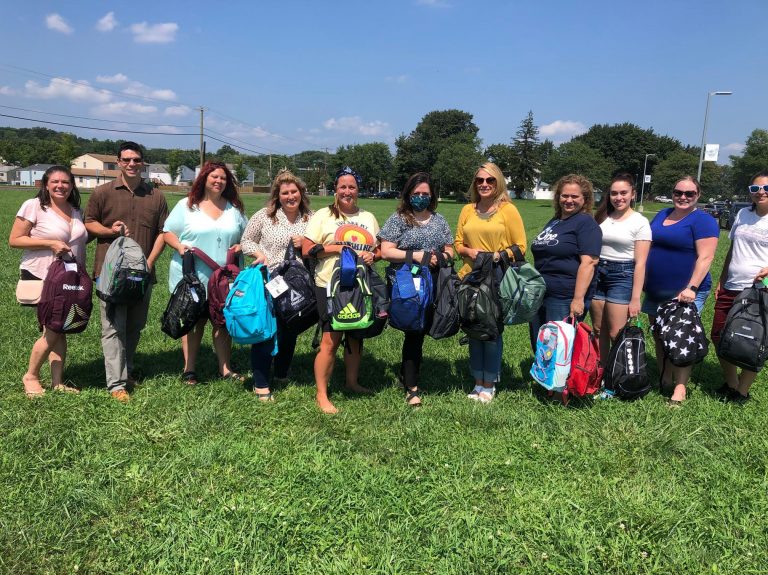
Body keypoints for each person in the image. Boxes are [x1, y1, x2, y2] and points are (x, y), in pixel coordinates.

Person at [85, 141, 168, 402]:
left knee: (134, 326)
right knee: (112, 328)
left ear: (142, 163)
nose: (131, 164)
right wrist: (110, 231)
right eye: (126, 159)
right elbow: (88, 224)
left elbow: (164, 233)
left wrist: (150, 262)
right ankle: (117, 384)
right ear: (118, 162)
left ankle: (128, 370)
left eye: (136, 160)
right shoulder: (102, 193)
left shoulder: (156, 196)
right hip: (110, 274)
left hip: (141, 276)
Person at [302, 167, 380, 414]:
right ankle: (322, 394)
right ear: (335, 189)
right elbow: (306, 248)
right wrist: (335, 248)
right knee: (330, 338)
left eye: (352, 187)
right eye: (343, 187)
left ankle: (352, 382)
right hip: (329, 284)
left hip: (360, 285)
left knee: (356, 334)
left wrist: (372, 255)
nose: (347, 191)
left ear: (358, 190)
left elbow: (378, 249)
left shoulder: (368, 217)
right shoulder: (323, 216)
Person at [163, 162, 248, 387]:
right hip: (194, 277)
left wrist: (241, 246)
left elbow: (245, 236)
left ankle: (225, 368)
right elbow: (167, 233)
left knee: (222, 322)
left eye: (223, 178)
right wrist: (179, 247)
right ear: (204, 179)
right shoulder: (187, 205)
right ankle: (189, 369)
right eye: (214, 177)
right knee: (195, 322)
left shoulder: (235, 209)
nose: (218, 181)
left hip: (224, 280)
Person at [10, 166, 88, 398]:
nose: (60, 186)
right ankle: (31, 376)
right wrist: (50, 243)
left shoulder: (75, 210)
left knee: (60, 328)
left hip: (69, 278)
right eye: (55, 181)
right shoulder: (34, 206)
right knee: (53, 328)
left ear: (72, 185)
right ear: (46, 184)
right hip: (43, 276)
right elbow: (15, 240)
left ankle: (57, 382)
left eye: (65, 182)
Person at [643, 176, 719, 406]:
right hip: (656, 289)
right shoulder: (662, 214)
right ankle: (665, 376)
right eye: (678, 192)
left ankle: (680, 389)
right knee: (659, 333)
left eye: (689, 193)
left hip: (684, 293)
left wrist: (692, 287)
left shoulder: (702, 220)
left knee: (681, 336)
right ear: (673, 192)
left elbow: (706, 257)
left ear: (698, 195)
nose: (683, 197)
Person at [379, 172, 453, 407]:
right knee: (414, 329)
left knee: (421, 330)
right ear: (408, 194)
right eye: (416, 194)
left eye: (425, 194)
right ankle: (411, 387)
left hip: (432, 283)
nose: (420, 198)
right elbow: (386, 251)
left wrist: (439, 257)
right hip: (405, 283)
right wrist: (416, 256)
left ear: (432, 196)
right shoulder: (399, 218)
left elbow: (450, 250)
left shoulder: (439, 220)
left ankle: (407, 374)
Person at [454, 162, 527, 403]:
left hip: (496, 279)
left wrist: (498, 255)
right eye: (480, 181)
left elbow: (520, 247)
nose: (484, 184)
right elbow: (457, 244)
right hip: (469, 277)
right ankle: (477, 381)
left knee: (492, 330)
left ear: (498, 183)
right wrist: (470, 252)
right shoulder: (467, 210)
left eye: (490, 180)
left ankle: (490, 383)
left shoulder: (508, 210)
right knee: (474, 328)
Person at [241, 169, 313, 400]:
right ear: (277, 196)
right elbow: (246, 240)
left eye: (294, 192)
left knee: (290, 327)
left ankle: (282, 371)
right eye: (285, 193)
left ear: (301, 193)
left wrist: (307, 243)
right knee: (266, 329)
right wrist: (258, 254)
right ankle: (261, 383)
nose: (290, 196)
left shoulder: (310, 218)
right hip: (271, 280)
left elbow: (321, 244)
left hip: (300, 283)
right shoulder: (265, 216)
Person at [590, 174, 651, 399]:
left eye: (623, 193)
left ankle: (618, 379)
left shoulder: (640, 222)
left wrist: (636, 298)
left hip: (622, 275)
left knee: (617, 332)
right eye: (614, 193)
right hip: (598, 274)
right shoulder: (602, 217)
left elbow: (641, 262)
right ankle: (601, 376)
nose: (618, 197)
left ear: (633, 194)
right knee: (598, 330)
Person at [711, 170, 768, 404]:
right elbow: (732, 250)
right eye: (755, 189)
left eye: (766, 188)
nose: (761, 192)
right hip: (732, 285)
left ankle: (742, 391)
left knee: (755, 340)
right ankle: (731, 383)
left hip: (760, 289)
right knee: (719, 334)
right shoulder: (743, 213)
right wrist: (722, 279)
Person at [529, 174, 601, 347]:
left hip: (563, 297)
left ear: (585, 199)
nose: (569, 200)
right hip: (542, 294)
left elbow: (589, 263)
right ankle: (544, 375)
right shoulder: (556, 221)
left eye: (575, 196)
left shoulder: (585, 223)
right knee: (541, 346)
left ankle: (564, 376)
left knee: (558, 350)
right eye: (564, 195)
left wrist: (578, 300)